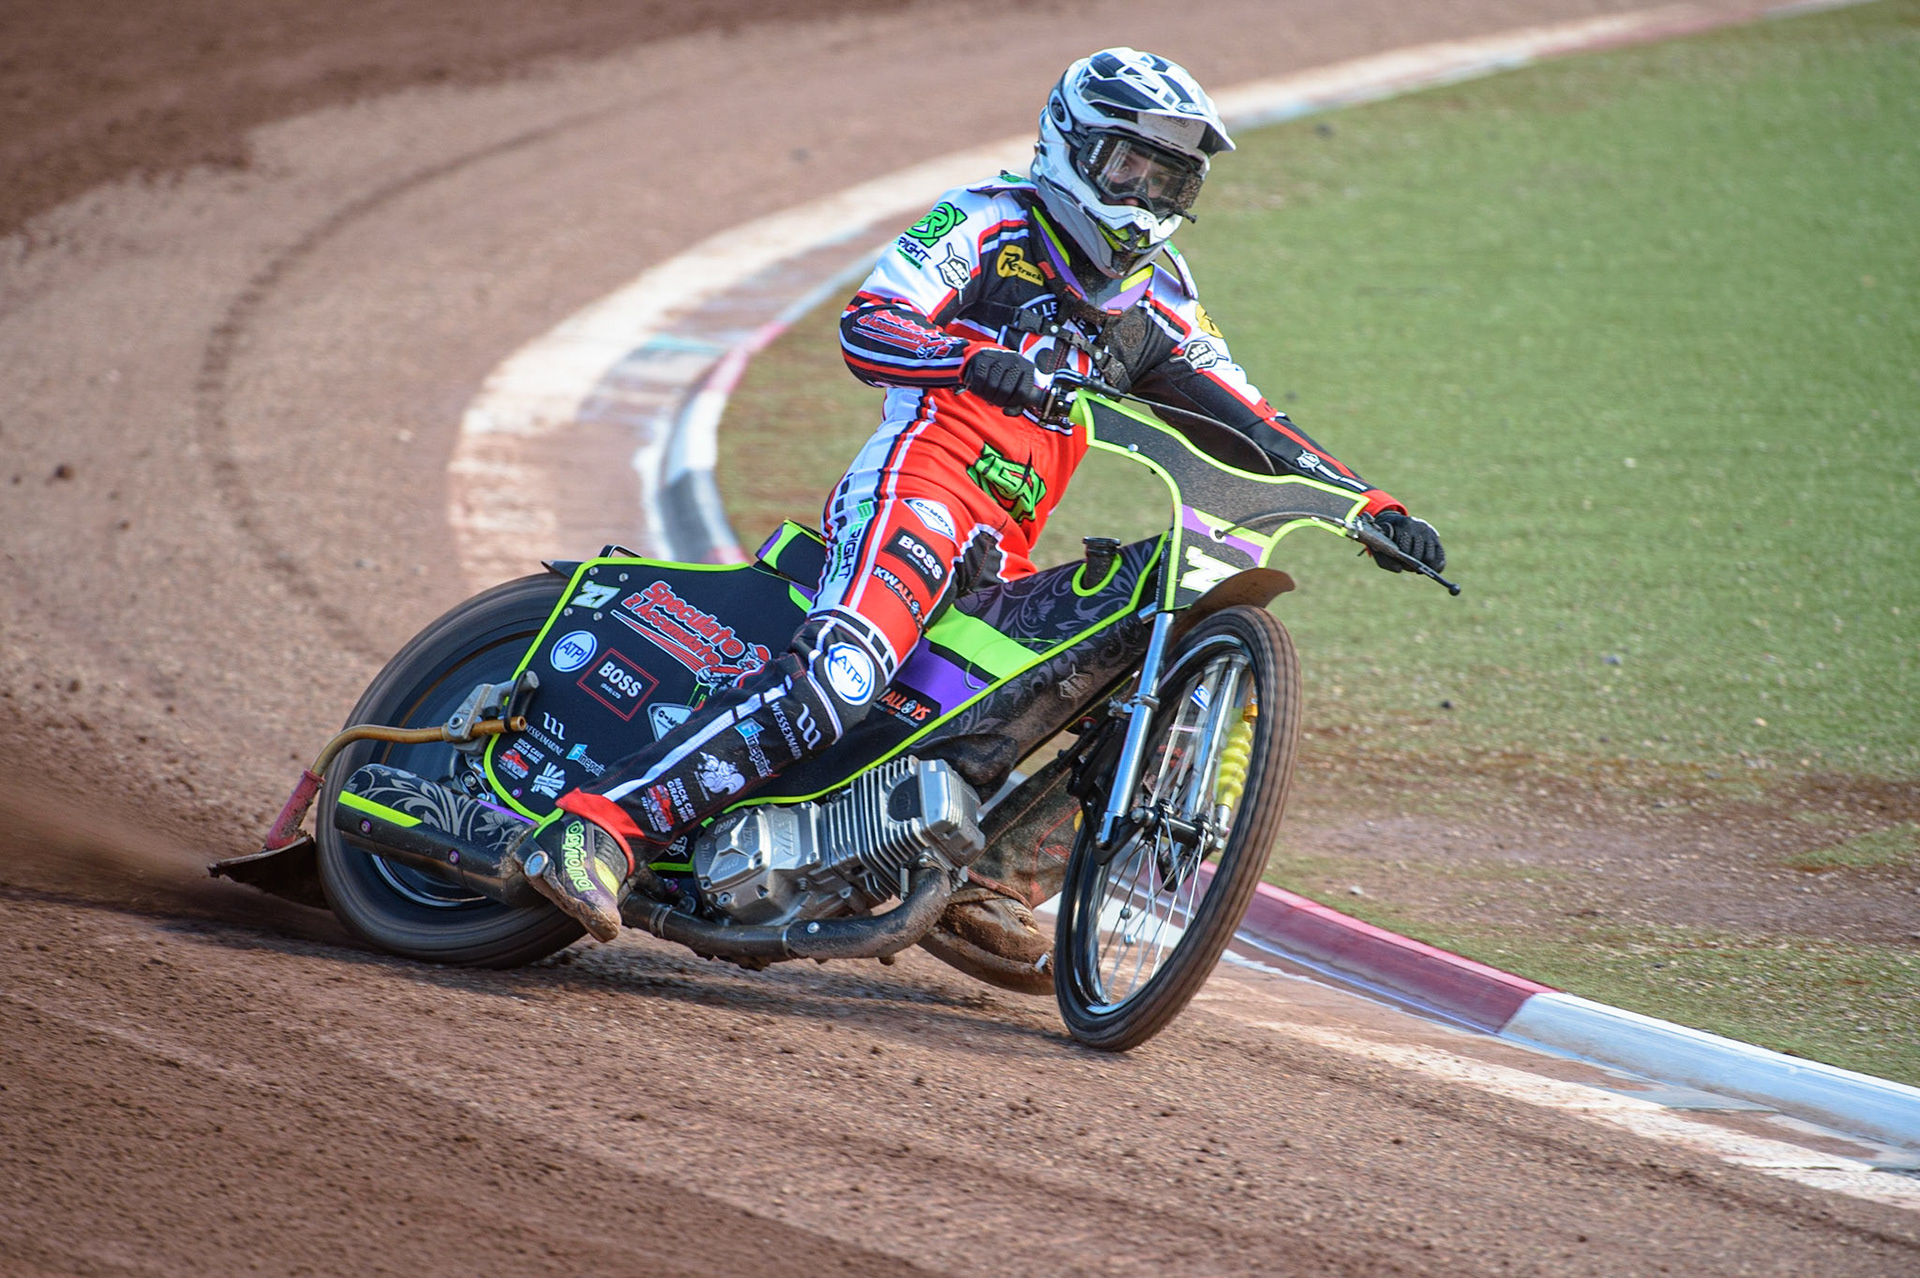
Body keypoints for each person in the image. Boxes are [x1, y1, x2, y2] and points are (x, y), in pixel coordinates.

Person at [521, 47, 1445, 954]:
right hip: (918, 488)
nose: (1150, 196)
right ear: (1072, 146)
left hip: (996, 550)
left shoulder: (1161, 301)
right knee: (844, 675)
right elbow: (868, 325)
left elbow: (1250, 418)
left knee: (1118, 661)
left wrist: (1368, 506)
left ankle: (983, 877)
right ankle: (596, 827)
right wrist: (975, 361)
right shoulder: (985, 219)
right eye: (1133, 165)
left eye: (1173, 180)